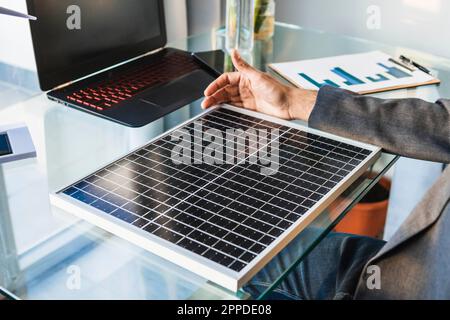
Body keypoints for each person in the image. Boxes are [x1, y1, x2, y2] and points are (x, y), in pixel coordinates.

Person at [201, 50, 450, 300]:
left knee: (239, 256)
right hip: (409, 263)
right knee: (244, 249)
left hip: (404, 288)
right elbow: (442, 125)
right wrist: (291, 100)